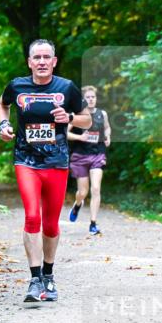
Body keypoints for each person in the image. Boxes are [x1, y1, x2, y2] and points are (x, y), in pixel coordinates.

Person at [0, 39, 91, 305]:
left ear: (54, 61)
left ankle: (49, 276)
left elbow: (87, 119)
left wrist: (70, 119)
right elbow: (2, 104)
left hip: (57, 162)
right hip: (26, 160)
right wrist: (3, 125)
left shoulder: (66, 88)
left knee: (50, 224)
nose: (41, 62)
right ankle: (34, 278)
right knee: (32, 216)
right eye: (36, 57)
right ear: (29, 62)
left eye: (45, 57)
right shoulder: (17, 86)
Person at [67, 86, 112, 234]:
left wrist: (107, 137)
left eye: (93, 97)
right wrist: (80, 137)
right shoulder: (77, 115)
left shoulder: (102, 114)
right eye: (88, 97)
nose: (91, 99)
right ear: (84, 100)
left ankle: (93, 223)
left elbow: (106, 128)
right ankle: (78, 204)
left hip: (97, 155)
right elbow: (65, 133)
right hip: (80, 156)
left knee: (96, 188)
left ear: (96, 98)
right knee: (82, 192)